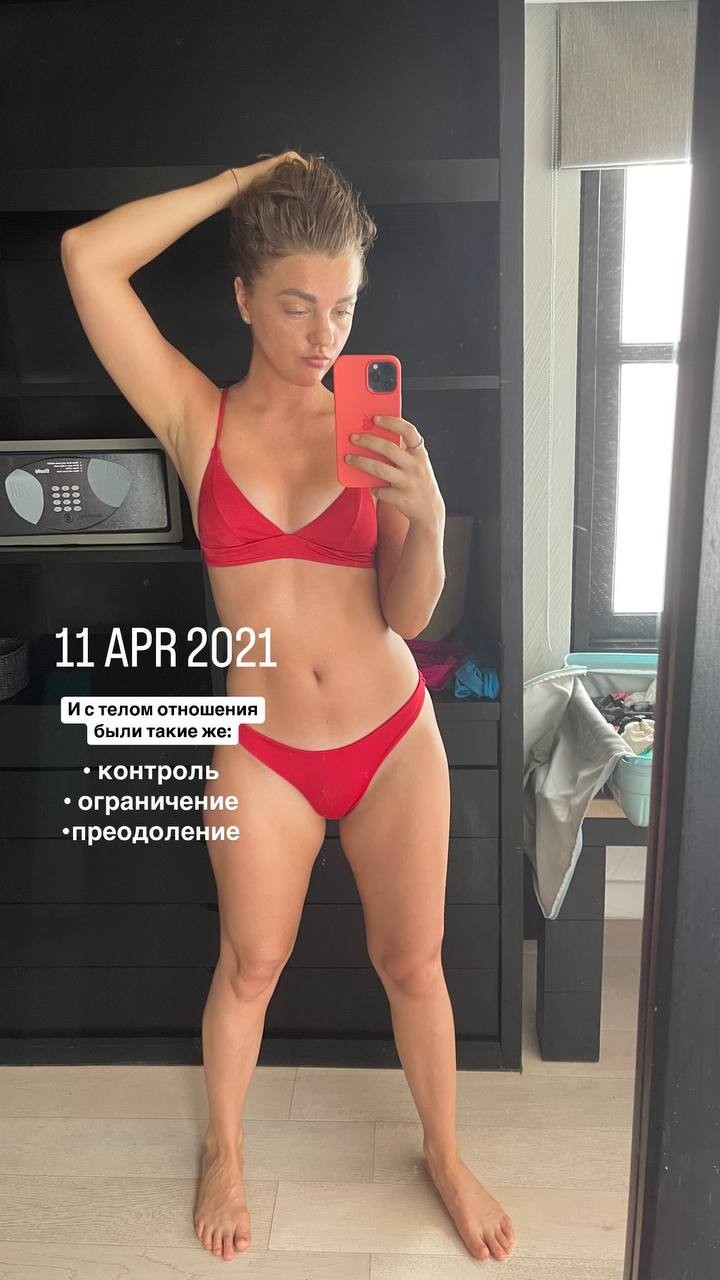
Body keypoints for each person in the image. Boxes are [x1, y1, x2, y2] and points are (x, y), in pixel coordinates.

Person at [60, 150, 516, 1265]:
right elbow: (86, 257)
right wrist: (240, 180)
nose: (325, 334)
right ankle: (225, 1147)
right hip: (264, 751)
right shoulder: (195, 417)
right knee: (250, 964)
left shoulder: (370, 431)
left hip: (392, 737)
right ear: (244, 298)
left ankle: (445, 1152)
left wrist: (429, 519)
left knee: (414, 964)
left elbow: (406, 615)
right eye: (298, 304)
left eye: (345, 306)